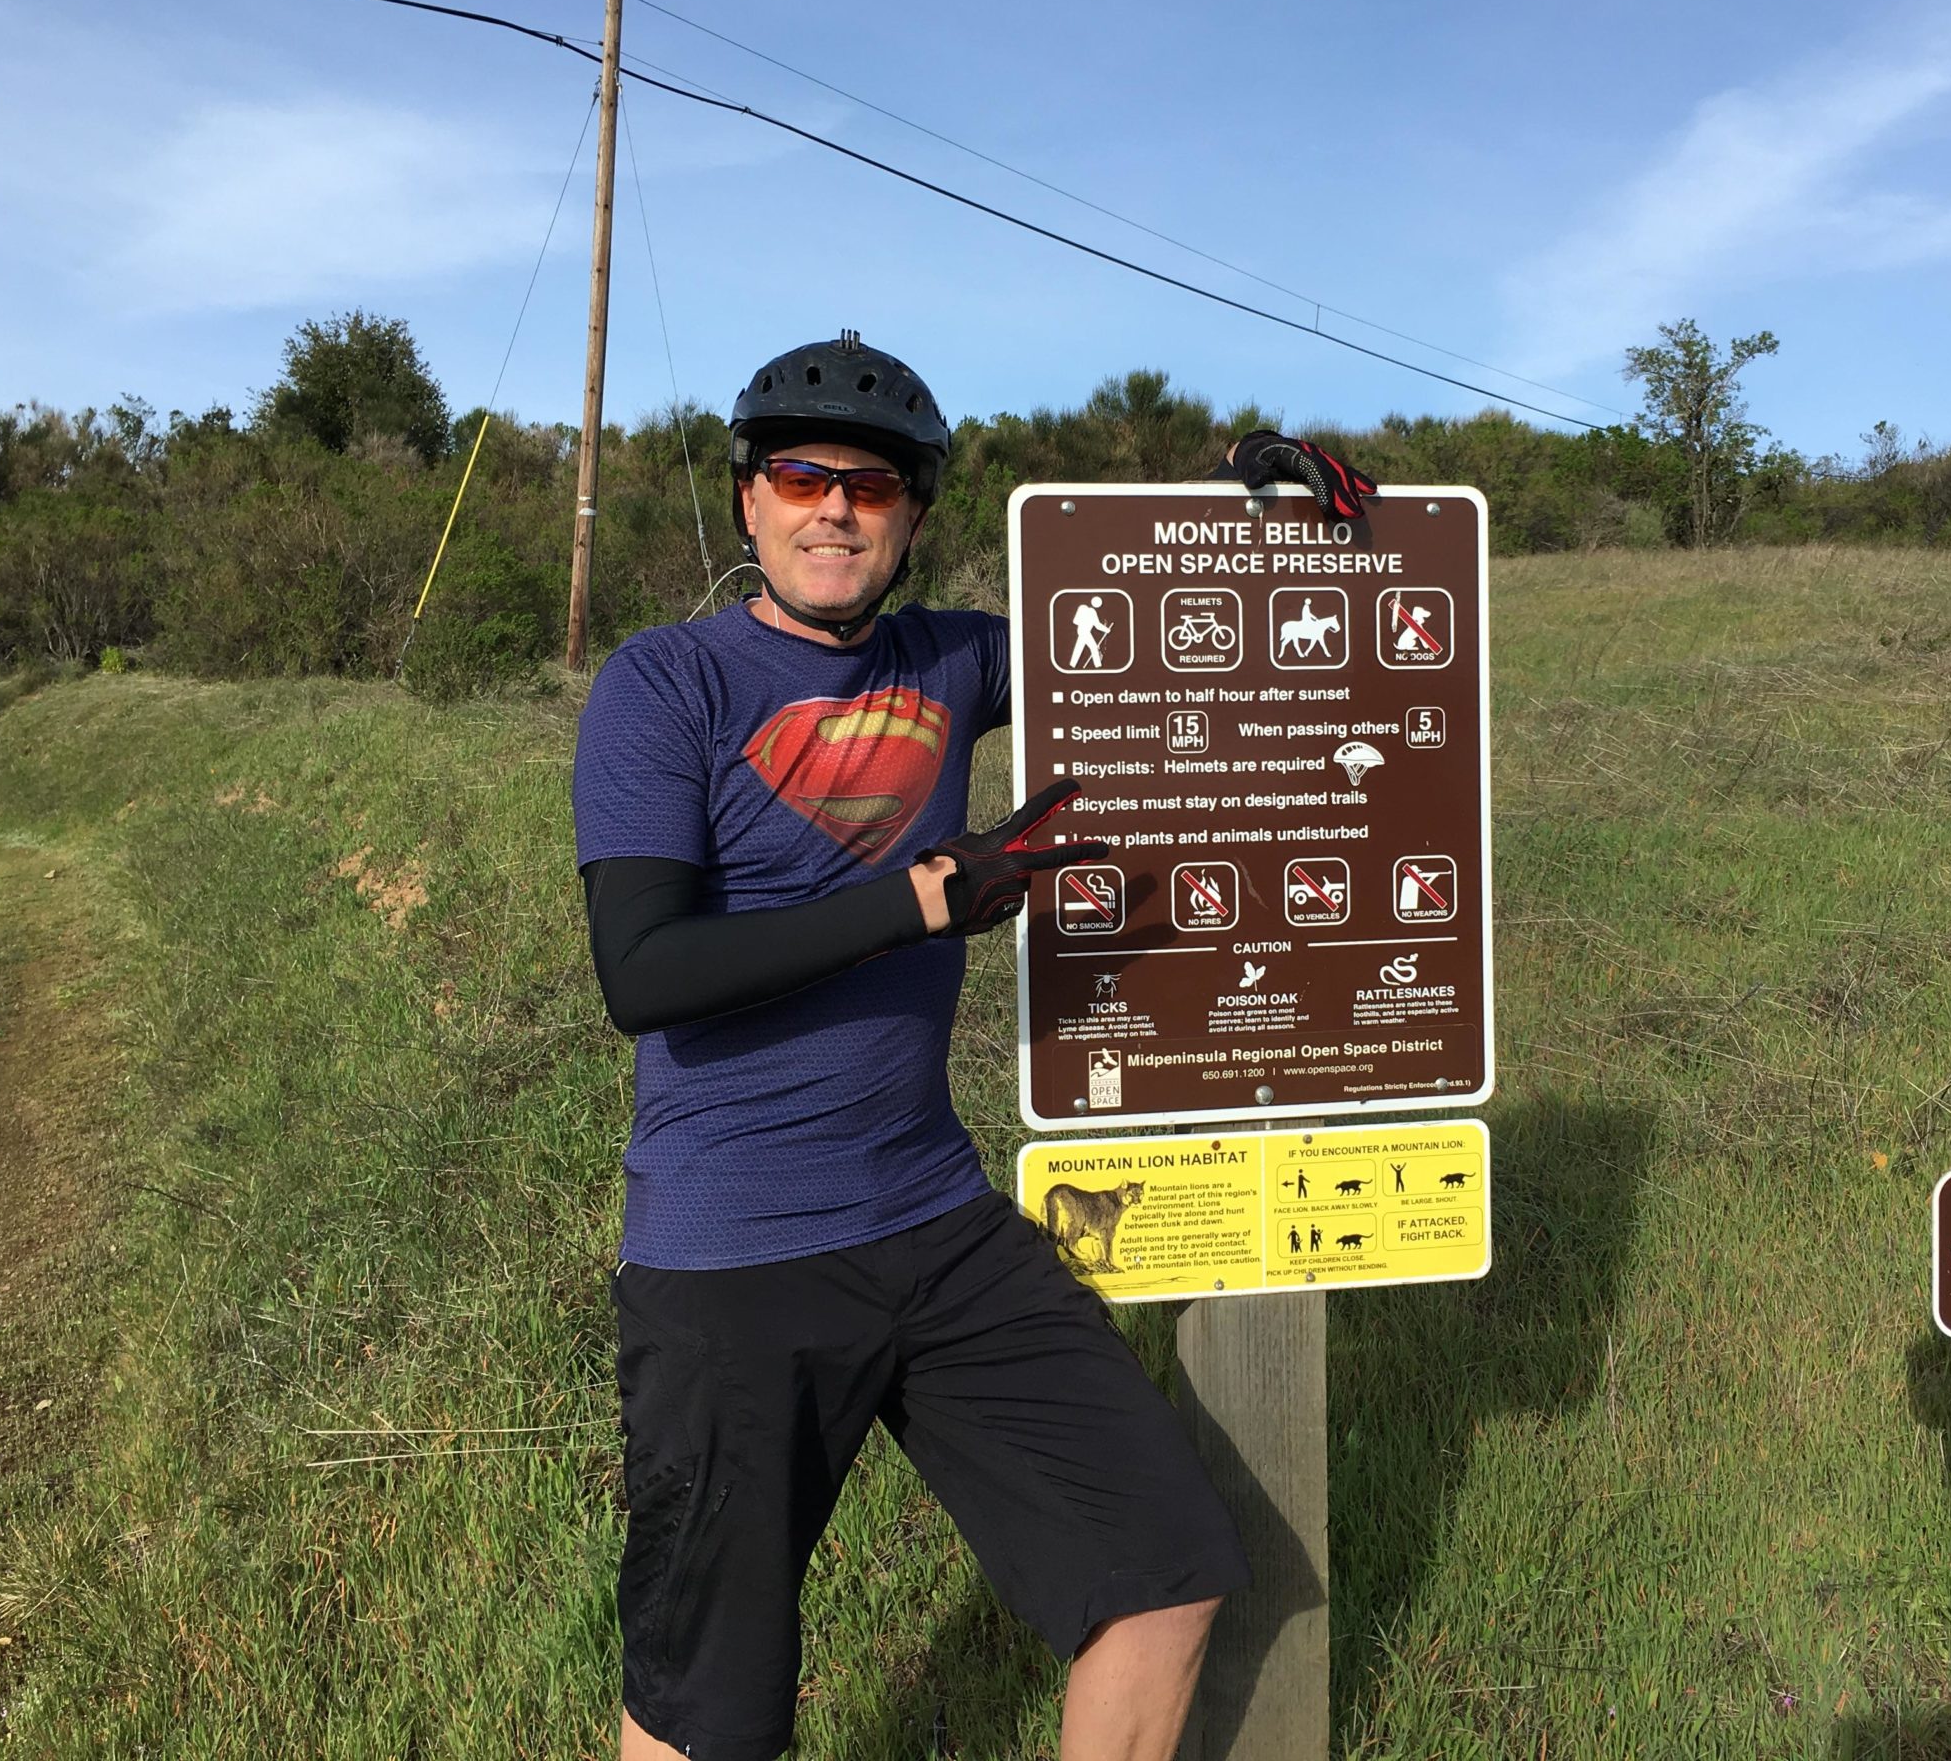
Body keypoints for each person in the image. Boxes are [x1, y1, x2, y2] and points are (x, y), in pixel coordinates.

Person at [573, 332, 1379, 1760]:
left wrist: (1235, 497)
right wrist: (924, 897)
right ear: (749, 499)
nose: (835, 509)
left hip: (935, 1225)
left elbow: (1122, 614)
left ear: (915, 517)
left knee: (1164, 1565)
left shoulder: (951, 657)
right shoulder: (668, 683)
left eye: (871, 488)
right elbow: (645, 973)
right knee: (711, 1701)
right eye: (802, 477)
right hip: (731, 1257)